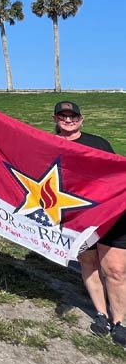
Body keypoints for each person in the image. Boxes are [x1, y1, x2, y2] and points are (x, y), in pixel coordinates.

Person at [53, 101, 126, 347]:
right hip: (76, 218)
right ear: (56, 120)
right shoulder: (49, 145)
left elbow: (118, 174)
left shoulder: (99, 143)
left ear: (81, 119)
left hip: (110, 215)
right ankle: (101, 314)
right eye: (63, 116)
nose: (68, 120)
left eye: (73, 116)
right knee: (88, 262)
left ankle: (120, 322)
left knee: (115, 270)